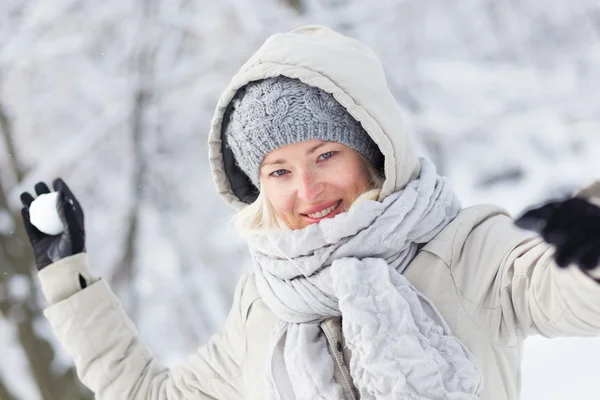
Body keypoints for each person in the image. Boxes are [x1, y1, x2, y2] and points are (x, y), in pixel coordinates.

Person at [19, 25, 600, 400]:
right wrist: (70, 283)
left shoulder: (467, 249)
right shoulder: (265, 304)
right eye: (279, 172)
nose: (308, 189)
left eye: (325, 155)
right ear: (259, 190)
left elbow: (572, 295)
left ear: (373, 152)